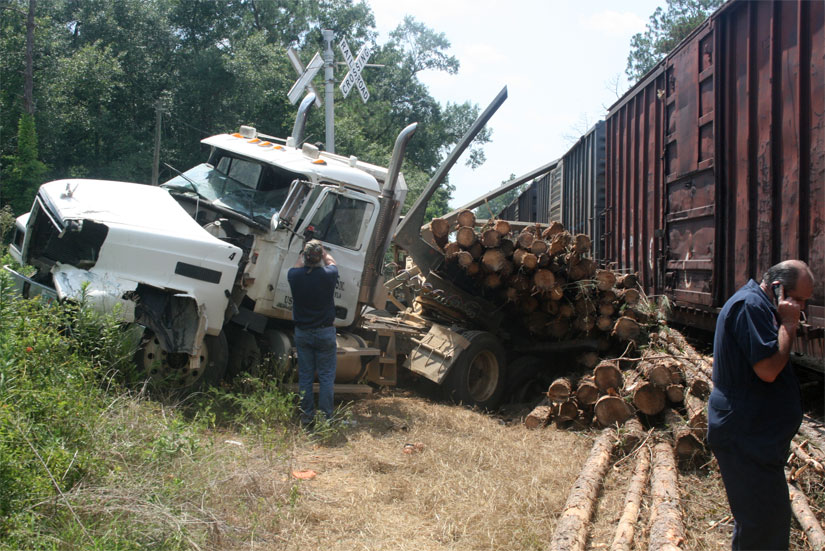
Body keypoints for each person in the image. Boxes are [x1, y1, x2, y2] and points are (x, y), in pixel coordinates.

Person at [707, 260, 815, 550]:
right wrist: (789, 324)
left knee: (763, 523)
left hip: (752, 435)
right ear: (778, 289)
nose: (802, 307)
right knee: (762, 526)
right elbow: (768, 369)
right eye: (799, 299)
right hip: (744, 434)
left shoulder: (760, 306)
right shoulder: (751, 306)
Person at [287, 239, 338, 428]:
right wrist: (323, 251)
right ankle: (326, 420)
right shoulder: (329, 275)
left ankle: (307, 418)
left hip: (303, 333)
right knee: (326, 377)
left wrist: (305, 251)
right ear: (319, 257)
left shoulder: (294, 276)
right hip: (325, 332)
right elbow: (332, 262)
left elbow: (299, 264)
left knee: (306, 377)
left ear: (305, 257)